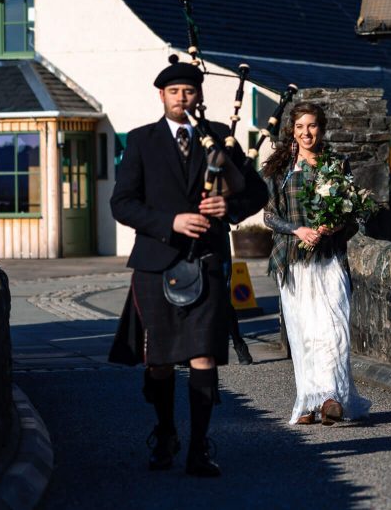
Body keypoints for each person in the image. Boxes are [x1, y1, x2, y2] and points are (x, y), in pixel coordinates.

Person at [108, 58, 268, 477]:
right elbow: (121, 203)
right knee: (158, 360)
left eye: (189, 91)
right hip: (156, 262)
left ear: (199, 96)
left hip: (207, 260)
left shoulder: (218, 138)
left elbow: (257, 192)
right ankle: (165, 434)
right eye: (174, 91)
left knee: (203, 355)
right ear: (161, 96)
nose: (182, 97)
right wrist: (170, 223)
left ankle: (199, 447)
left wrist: (228, 207)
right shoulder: (142, 141)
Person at [261, 102, 371, 426]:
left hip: (329, 259)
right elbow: (269, 215)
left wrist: (333, 227)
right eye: (300, 127)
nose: (306, 132)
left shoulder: (337, 164)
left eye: (312, 126)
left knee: (334, 330)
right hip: (294, 260)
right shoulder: (280, 170)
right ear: (292, 131)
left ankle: (331, 398)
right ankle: (309, 400)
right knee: (305, 333)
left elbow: (353, 216)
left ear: (321, 129)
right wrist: (297, 229)